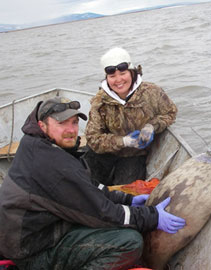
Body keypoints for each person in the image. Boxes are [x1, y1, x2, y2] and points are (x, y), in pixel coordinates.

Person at [0, 97, 185, 270]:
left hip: (36, 233)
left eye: (74, 122)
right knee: (129, 242)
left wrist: (126, 199)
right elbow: (102, 213)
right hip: (33, 252)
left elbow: (87, 186)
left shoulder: (35, 143)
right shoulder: (53, 164)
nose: (71, 129)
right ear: (42, 125)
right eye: (61, 123)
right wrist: (152, 217)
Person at [84, 47, 178, 186]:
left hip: (134, 156)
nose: (118, 80)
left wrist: (151, 126)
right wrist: (124, 141)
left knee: (126, 192)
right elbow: (93, 138)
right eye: (112, 76)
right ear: (107, 78)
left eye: (122, 73)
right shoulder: (99, 102)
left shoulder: (152, 92)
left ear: (132, 72)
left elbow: (170, 112)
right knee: (88, 185)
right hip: (103, 154)